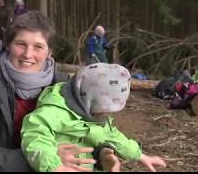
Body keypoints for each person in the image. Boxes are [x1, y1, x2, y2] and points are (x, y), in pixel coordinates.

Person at [0, 10, 119, 172]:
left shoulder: (65, 86)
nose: (28, 54)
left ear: (49, 52)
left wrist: (99, 154)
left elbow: (83, 132)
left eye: (38, 47)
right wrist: (43, 158)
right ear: (8, 46)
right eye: (21, 44)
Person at [21, 63, 167, 172]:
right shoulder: (55, 111)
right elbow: (35, 135)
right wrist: (55, 167)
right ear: (89, 99)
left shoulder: (93, 116)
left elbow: (113, 136)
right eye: (103, 109)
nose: (106, 115)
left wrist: (140, 156)